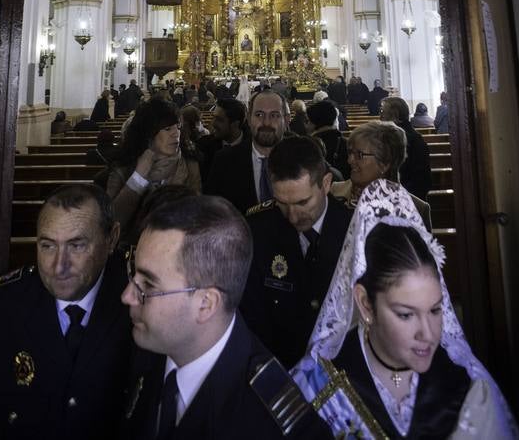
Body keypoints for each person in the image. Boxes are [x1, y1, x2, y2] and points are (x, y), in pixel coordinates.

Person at [292, 180, 519, 439]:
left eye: (435, 310)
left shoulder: (468, 389)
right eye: (406, 314)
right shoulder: (315, 387)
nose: (428, 334)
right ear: (365, 303)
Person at [121, 195, 330, 440]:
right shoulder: (146, 343)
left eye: (148, 285)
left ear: (206, 304)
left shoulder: (269, 422)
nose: (127, 296)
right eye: (133, 276)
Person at [0, 184, 132, 440]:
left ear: (111, 238)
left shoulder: (138, 305)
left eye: (76, 246)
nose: (58, 267)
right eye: (48, 246)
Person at [240, 135, 351, 368]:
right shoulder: (257, 233)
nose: (292, 216)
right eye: (281, 202)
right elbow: (252, 319)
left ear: (327, 183)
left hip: (345, 380)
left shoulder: (355, 230)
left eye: (302, 203)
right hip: (281, 372)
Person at [107, 97, 201, 244]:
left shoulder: (189, 165)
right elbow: (111, 223)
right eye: (167, 129)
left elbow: (197, 216)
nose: (176, 134)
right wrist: (138, 176)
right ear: (149, 133)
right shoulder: (124, 169)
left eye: (178, 127)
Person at [331, 121, 432, 230]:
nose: (350, 160)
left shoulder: (416, 208)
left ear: (385, 163)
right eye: (350, 152)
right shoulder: (334, 192)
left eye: (359, 155)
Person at [205, 90, 287, 213]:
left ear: (286, 120)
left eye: (274, 115)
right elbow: (212, 212)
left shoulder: (303, 157)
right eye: (259, 115)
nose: (266, 122)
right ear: (248, 119)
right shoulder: (223, 161)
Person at [381, 96, 432, 202]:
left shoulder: (411, 140)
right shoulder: (391, 136)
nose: (380, 116)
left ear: (395, 114)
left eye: (383, 112)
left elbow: (420, 179)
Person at [198, 98, 247, 183]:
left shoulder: (253, 148)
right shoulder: (203, 146)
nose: (213, 123)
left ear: (235, 124)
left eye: (219, 120)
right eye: (214, 117)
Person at [307, 98, 350, 179]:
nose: (307, 126)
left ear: (315, 123)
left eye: (308, 121)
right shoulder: (346, 143)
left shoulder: (310, 145)